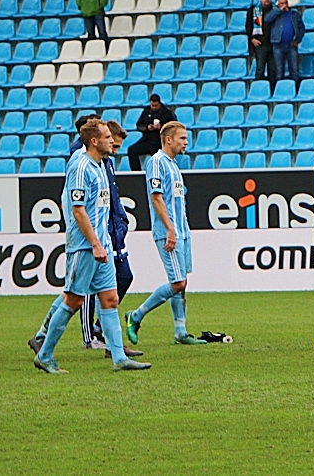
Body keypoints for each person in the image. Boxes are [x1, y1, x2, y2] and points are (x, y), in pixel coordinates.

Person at [33, 120, 150, 374]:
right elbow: (77, 210)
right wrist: (95, 243)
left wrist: (104, 242)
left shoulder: (101, 165)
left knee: (110, 299)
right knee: (73, 300)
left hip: (102, 244)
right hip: (85, 247)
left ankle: (119, 358)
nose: (113, 140)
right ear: (94, 141)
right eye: (108, 137)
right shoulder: (80, 166)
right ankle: (45, 354)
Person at [123, 122, 205, 347]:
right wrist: (170, 229)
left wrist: (181, 230)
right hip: (168, 232)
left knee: (182, 282)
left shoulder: (173, 165)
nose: (186, 142)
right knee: (177, 282)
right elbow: (156, 198)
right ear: (168, 139)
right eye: (182, 138)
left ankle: (180, 331)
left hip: (181, 231)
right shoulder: (156, 162)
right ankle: (136, 315)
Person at [263, 0, 306, 83]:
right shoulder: (275, 13)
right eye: (282, 3)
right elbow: (267, 19)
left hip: (291, 45)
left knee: (294, 70)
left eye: (286, 3)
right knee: (279, 71)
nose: (284, 5)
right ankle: (280, 90)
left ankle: (295, 90)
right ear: (278, 4)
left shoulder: (294, 14)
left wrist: (298, 39)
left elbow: (301, 27)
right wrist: (279, 11)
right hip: (278, 45)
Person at [127, 93, 176, 171]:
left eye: (155, 105)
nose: (153, 107)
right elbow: (139, 125)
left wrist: (162, 127)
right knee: (132, 150)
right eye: (152, 105)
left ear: (159, 103)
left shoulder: (167, 113)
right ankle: (136, 173)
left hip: (161, 142)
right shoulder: (146, 111)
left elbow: (174, 127)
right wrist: (147, 128)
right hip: (147, 140)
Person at [247, 0, 276, 83]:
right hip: (260, 44)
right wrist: (252, 39)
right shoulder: (254, 10)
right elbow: (248, 26)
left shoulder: (275, 9)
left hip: (273, 44)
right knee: (260, 69)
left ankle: (272, 92)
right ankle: (260, 91)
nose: (266, 0)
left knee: (273, 70)